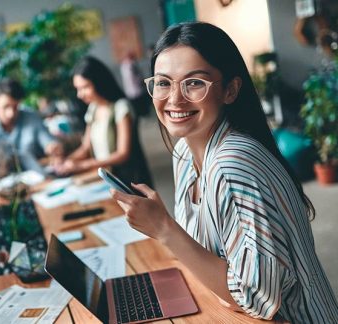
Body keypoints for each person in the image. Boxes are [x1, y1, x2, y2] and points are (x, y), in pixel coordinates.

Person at [111, 22, 338, 322]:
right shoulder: (183, 151)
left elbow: (256, 300)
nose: (175, 99)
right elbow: (209, 262)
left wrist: (165, 228)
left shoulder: (233, 162)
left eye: (194, 83)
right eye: (164, 83)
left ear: (230, 90)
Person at [55, 56, 152, 187]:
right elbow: (85, 147)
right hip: (107, 178)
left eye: (85, 87)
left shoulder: (121, 107)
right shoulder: (93, 108)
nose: (79, 94)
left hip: (129, 180)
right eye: (77, 88)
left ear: (99, 82)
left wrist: (83, 165)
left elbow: (123, 153)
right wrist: (66, 161)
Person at [0, 78, 62, 173]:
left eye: (15, 107)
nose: (11, 113)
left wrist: (53, 147)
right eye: (6, 106)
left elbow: (48, 141)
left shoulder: (31, 117)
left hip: (36, 177)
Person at [119, 52, 150, 117]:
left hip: (131, 91)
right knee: (141, 106)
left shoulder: (123, 66)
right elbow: (138, 76)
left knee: (137, 107)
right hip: (137, 90)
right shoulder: (132, 65)